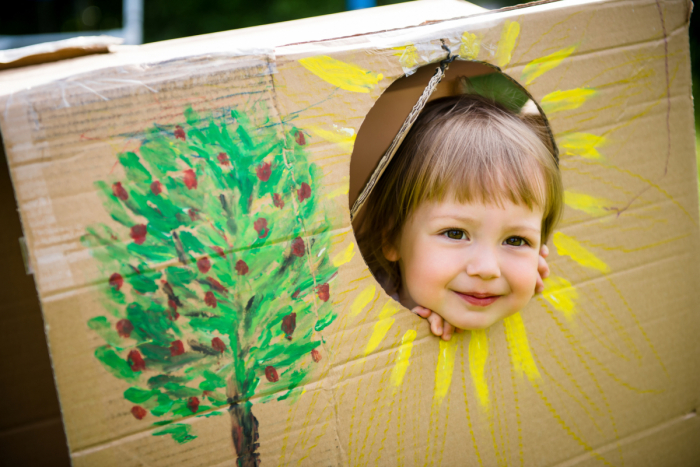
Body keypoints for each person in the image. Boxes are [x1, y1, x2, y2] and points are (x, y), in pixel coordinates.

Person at [354, 94, 563, 340]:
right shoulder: (353, 304)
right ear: (390, 239)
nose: (487, 269)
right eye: (455, 233)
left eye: (516, 240)